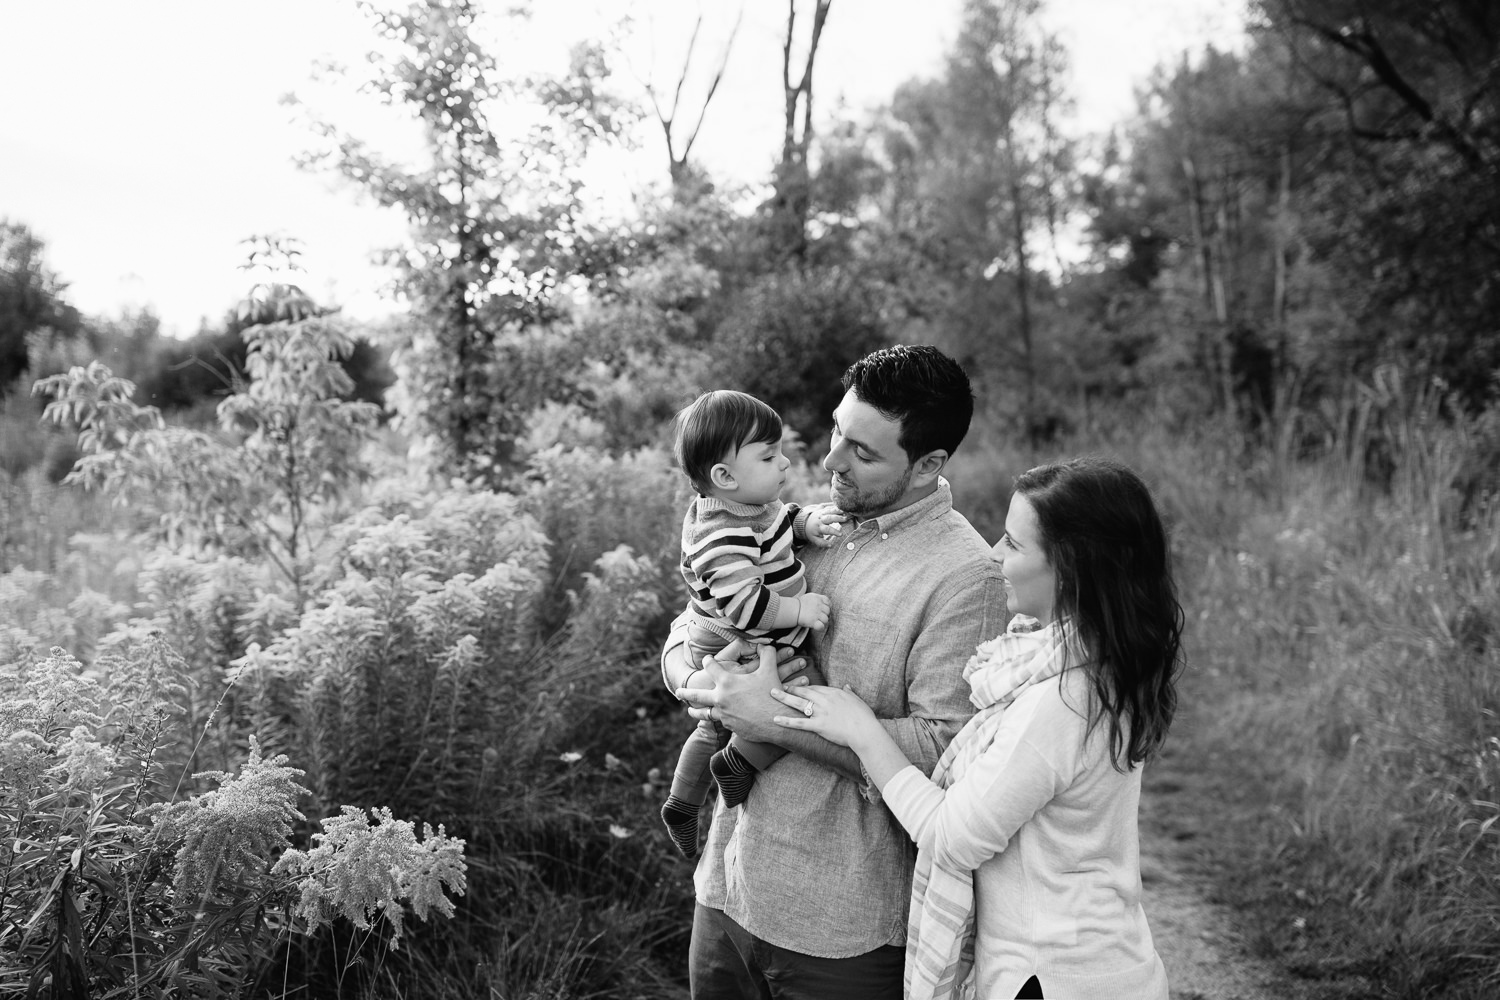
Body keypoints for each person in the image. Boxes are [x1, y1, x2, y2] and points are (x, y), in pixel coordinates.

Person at [770, 457, 1183, 1000]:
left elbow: (950, 836)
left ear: (1070, 567)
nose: (994, 553)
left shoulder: (1060, 701)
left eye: (1013, 543)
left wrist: (862, 731)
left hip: (1054, 976)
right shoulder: (1094, 664)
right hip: (1090, 962)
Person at [668, 345, 1007, 1000]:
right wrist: (690, 675)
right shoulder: (794, 521)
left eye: (864, 453)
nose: (829, 463)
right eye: (836, 433)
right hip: (728, 889)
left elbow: (946, 754)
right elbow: (695, 618)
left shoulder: (966, 578)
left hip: (841, 932)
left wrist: (773, 721)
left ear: (929, 464)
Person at [660, 389, 846, 860]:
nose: (784, 464)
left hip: (733, 636)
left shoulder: (745, 505)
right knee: (803, 693)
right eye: (769, 456)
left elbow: (775, 523)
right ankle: (739, 763)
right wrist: (798, 611)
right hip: (734, 638)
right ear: (723, 476)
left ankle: (682, 803)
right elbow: (745, 604)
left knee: (713, 725)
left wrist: (804, 524)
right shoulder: (720, 535)